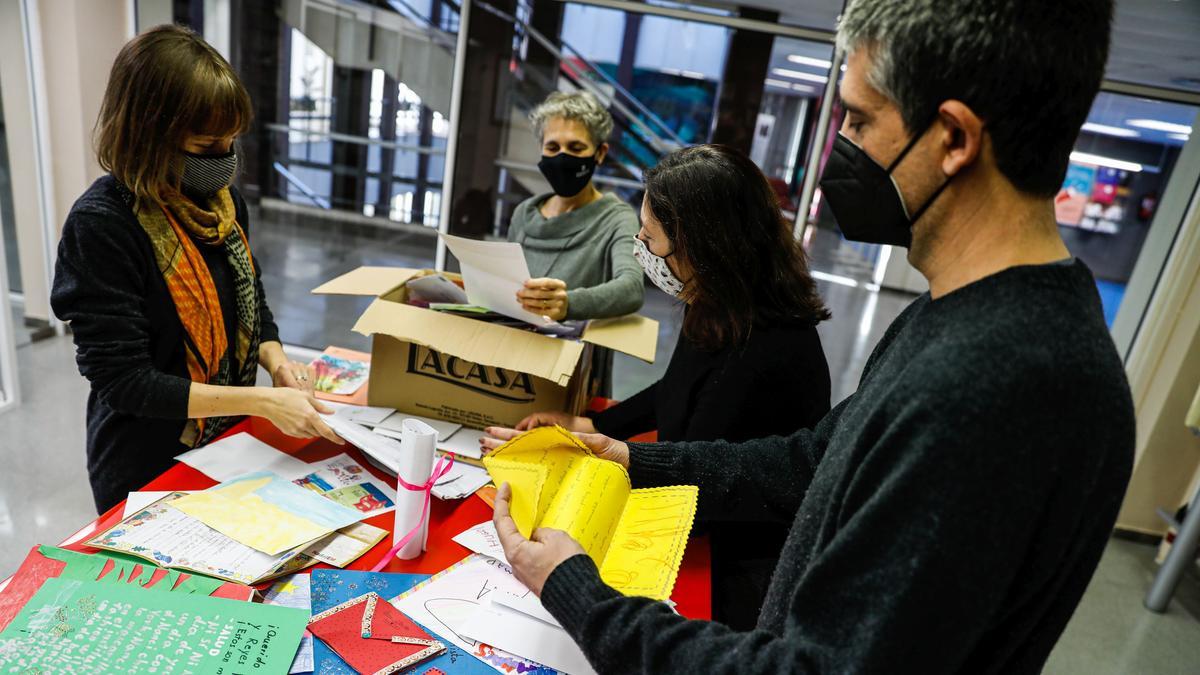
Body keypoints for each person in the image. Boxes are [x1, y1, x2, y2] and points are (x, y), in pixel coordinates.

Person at [490, 1, 1135, 672]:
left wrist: (579, 592)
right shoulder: (960, 318)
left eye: (857, 119)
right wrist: (630, 458)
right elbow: (809, 461)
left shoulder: (996, 387)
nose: (839, 151)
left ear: (952, 138)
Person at [485, 144, 832, 628]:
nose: (640, 250)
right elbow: (677, 388)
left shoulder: (768, 348)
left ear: (702, 246)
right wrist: (593, 422)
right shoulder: (714, 296)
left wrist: (593, 463)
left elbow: (698, 474)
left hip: (728, 558)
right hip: (691, 506)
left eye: (650, 238)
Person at [51, 25, 341, 514]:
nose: (225, 161)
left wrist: (277, 366)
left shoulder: (220, 204)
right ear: (149, 137)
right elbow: (125, 382)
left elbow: (253, 304)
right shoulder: (102, 226)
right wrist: (261, 402)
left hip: (227, 445)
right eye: (207, 148)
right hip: (147, 462)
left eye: (231, 143)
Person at [508, 91, 644, 395]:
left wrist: (568, 304)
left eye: (576, 147)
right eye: (552, 147)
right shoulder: (524, 214)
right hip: (512, 365)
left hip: (573, 376)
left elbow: (632, 287)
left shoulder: (616, 218)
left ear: (599, 153)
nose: (562, 157)